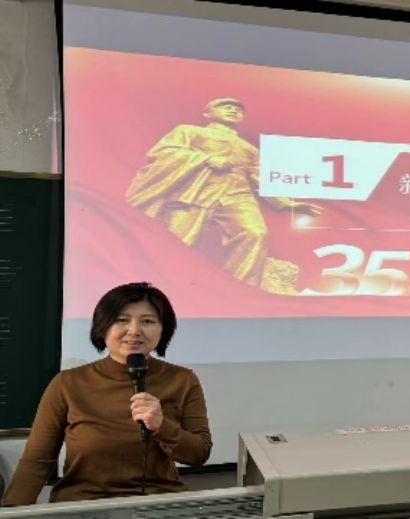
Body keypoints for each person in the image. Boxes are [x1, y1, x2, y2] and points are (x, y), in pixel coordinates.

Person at [1, 282, 211, 506]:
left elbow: (198, 454)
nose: (134, 330)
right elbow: (37, 460)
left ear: (163, 329)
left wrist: (162, 426)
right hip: (84, 505)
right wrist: (12, 512)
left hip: (158, 505)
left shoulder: (182, 380)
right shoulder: (68, 383)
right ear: (103, 327)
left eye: (148, 321)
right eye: (122, 320)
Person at [125, 99, 322, 295]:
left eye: (238, 109)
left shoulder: (249, 149)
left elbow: (261, 178)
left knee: (255, 233)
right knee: (181, 241)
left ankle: (239, 290)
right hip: (196, 192)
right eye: (225, 107)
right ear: (208, 113)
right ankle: (166, 288)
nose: (233, 110)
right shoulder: (190, 131)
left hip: (237, 195)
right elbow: (162, 152)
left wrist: (286, 203)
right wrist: (206, 159)